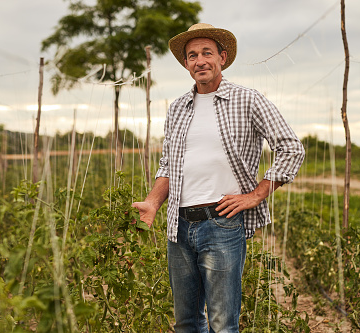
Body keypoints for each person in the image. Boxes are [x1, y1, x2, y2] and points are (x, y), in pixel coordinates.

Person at [132, 23, 305, 333]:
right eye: (192, 55)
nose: (200, 61)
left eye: (207, 53)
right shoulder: (178, 109)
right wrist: (153, 203)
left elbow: (291, 149)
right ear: (186, 64)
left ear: (222, 57)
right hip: (179, 225)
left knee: (223, 325)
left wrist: (256, 194)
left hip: (222, 223)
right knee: (186, 323)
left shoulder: (248, 100)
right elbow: (169, 164)